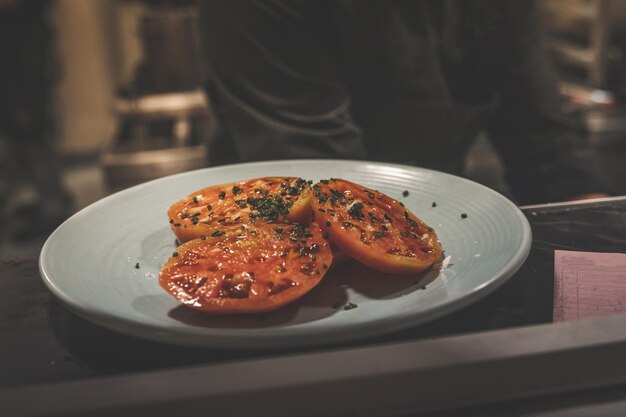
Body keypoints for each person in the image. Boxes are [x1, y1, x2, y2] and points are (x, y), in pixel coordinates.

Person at [198, 0, 613, 205]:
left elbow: (545, 144)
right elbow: (320, 190)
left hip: (431, 235)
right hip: (279, 256)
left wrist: (599, 240)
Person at [0, 0, 73, 240]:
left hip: (27, 43)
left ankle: (51, 205)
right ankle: (33, 199)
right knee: (17, 130)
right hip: (14, 46)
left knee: (34, 125)